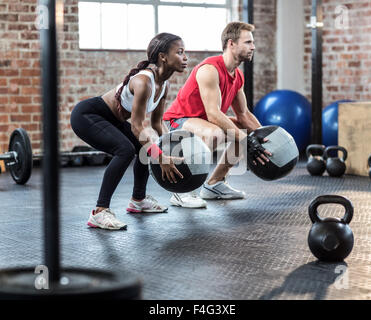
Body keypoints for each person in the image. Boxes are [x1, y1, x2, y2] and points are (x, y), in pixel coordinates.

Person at [70, 33, 187, 230]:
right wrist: (160, 157)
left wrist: (173, 149)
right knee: (125, 149)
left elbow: (157, 123)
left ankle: (138, 200)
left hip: (111, 119)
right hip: (87, 115)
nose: (185, 58)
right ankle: (99, 212)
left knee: (145, 146)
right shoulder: (144, 82)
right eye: (180, 52)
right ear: (163, 57)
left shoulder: (164, 85)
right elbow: (137, 126)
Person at [162, 22, 271, 208]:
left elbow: (243, 114)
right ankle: (182, 189)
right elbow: (213, 114)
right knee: (217, 133)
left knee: (243, 131)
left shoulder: (237, 76)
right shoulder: (210, 70)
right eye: (248, 42)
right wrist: (246, 139)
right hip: (177, 121)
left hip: (203, 122)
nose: (253, 47)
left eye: (252, 43)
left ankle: (215, 184)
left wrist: (264, 137)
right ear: (231, 44)